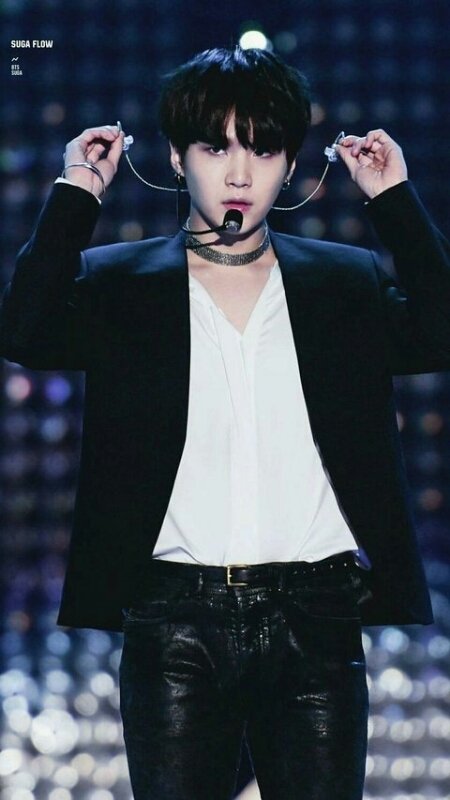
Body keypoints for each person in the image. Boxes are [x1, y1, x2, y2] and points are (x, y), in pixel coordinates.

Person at [1, 45, 450, 800]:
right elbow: (23, 329)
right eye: (216, 148)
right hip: (173, 622)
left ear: (291, 165)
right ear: (177, 159)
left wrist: (395, 201)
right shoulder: (123, 286)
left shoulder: (341, 284)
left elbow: (441, 331)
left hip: (316, 616)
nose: (240, 173)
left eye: (263, 150)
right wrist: (76, 192)